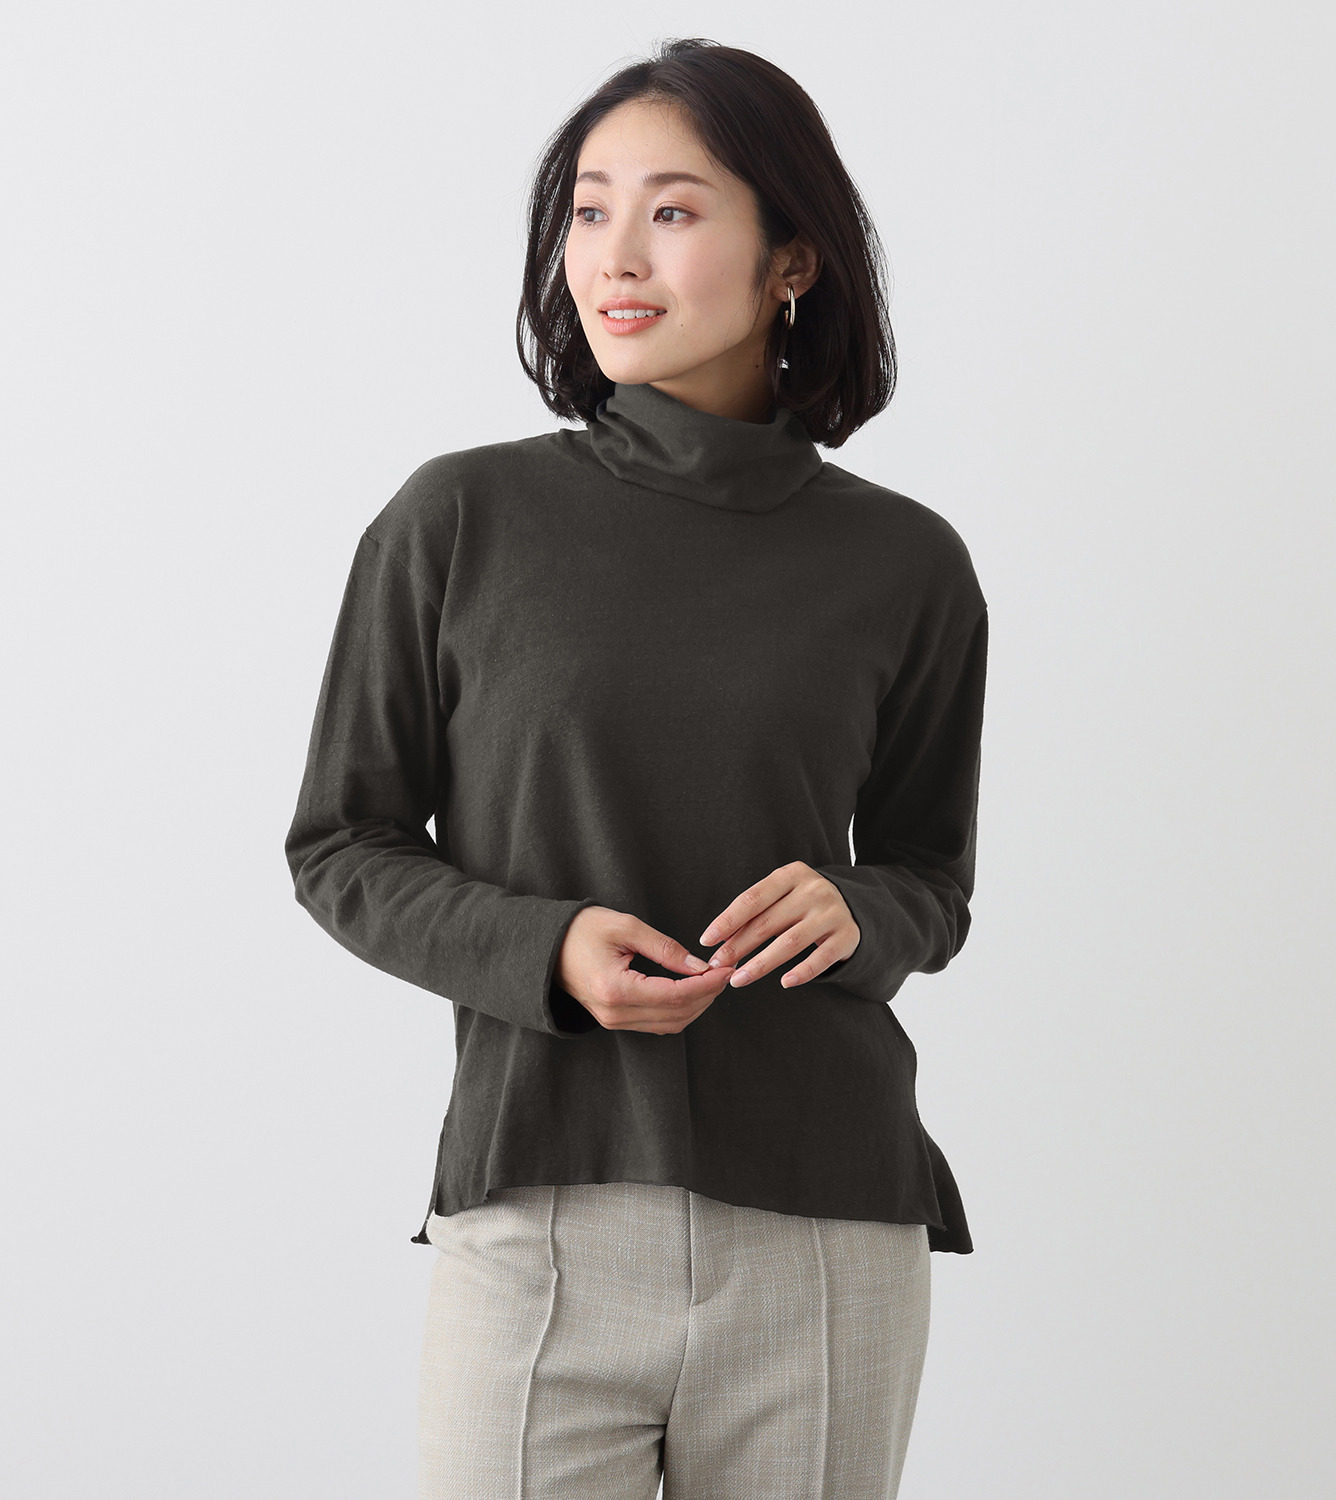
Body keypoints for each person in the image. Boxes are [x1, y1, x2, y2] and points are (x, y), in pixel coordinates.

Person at [284, 37, 988, 1500]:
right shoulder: (458, 520)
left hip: (825, 1224)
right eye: (589, 210)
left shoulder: (906, 563)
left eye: (672, 210)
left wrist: (861, 908)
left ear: (792, 259)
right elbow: (341, 842)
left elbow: (931, 878)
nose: (615, 253)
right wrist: (543, 950)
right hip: (538, 1209)